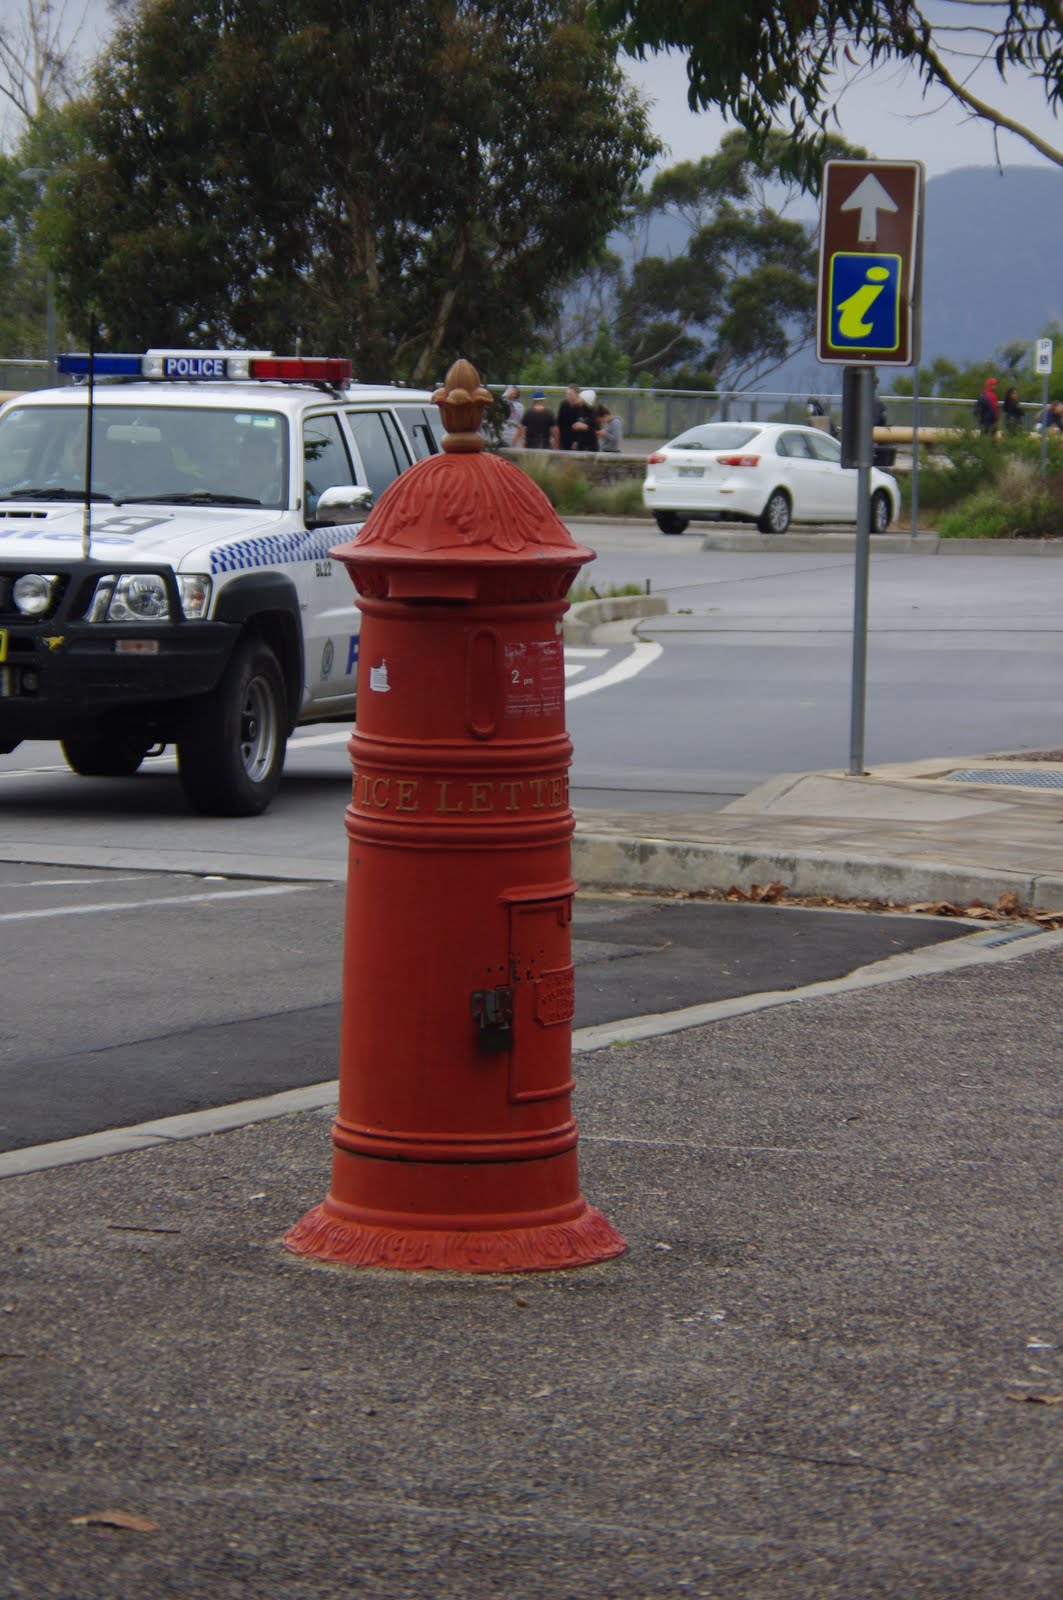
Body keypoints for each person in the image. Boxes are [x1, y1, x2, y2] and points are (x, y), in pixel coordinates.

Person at [555, 383, 583, 451]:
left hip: (577, 441)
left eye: (570, 394)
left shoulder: (582, 407)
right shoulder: (563, 404)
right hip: (563, 439)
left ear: (577, 394)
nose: (568, 396)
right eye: (567, 394)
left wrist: (577, 441)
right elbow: (558, 423)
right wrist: (557, 440)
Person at [571, 387, 599, 452]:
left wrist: (586, 427)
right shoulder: (579, 410)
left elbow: (596, 430)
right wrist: (575, 441)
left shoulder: (593, 413)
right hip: (580, 445)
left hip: (591, 446)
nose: (579, 401)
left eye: (581, 400)